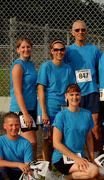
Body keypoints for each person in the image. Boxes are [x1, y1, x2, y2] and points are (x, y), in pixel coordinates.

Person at [52, 84, 103, 180]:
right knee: (93, 171)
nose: (74, 97)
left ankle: (74, 178)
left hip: (80, 157)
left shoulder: (87, 114)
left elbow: (89, 139)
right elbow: (56, 143)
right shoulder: (61, 116)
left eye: (77, 94)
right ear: (66, 96)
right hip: (62, 158)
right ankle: (65, 179)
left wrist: (92, 159)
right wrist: (76, 159)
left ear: (81, 95)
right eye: (71, 95)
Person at [37, 39, 75, 171]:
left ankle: (63, 168)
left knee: (61, 139)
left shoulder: (69, 69)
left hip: (63, 108)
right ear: (51, 51)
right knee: (48, 140)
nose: (59, 52)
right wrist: (44, 112)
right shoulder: (46, 67)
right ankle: (47, 169)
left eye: (62, 49)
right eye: (56, 50)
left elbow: (71, 90)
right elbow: (41, 89)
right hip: (49, 108)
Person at [64, 20, 101, 157]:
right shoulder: (68, 51)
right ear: (72, 32)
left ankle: (95, 157)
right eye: (77, 30)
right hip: (75, 94)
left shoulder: (94, 50)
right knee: (75, 127)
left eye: (83, 30)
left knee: (95, 126)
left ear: (87, 32)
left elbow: (99, 68)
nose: (80, 32)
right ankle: (76, 156)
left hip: (92, 92)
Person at [0, 112, 33, 180]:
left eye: (17, 125)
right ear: (4, 126)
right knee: (2, 171)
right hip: (5, 171)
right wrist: (18, 164)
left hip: (20, 173)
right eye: (11, 125)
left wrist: (29, 177)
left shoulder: (26, 143)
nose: (14, 128)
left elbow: (27, 165)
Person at [9, 36, 37, 160]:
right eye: (23, 47)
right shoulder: (18, 66)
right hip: (21, 109)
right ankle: (27, 173)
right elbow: (17, 91)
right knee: (31, 143)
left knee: (32, 144)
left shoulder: (30, 64)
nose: (26, 49)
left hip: (32, 107)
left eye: (28, 47)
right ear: (18, 49)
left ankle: (33, 172)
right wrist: (25, 114)